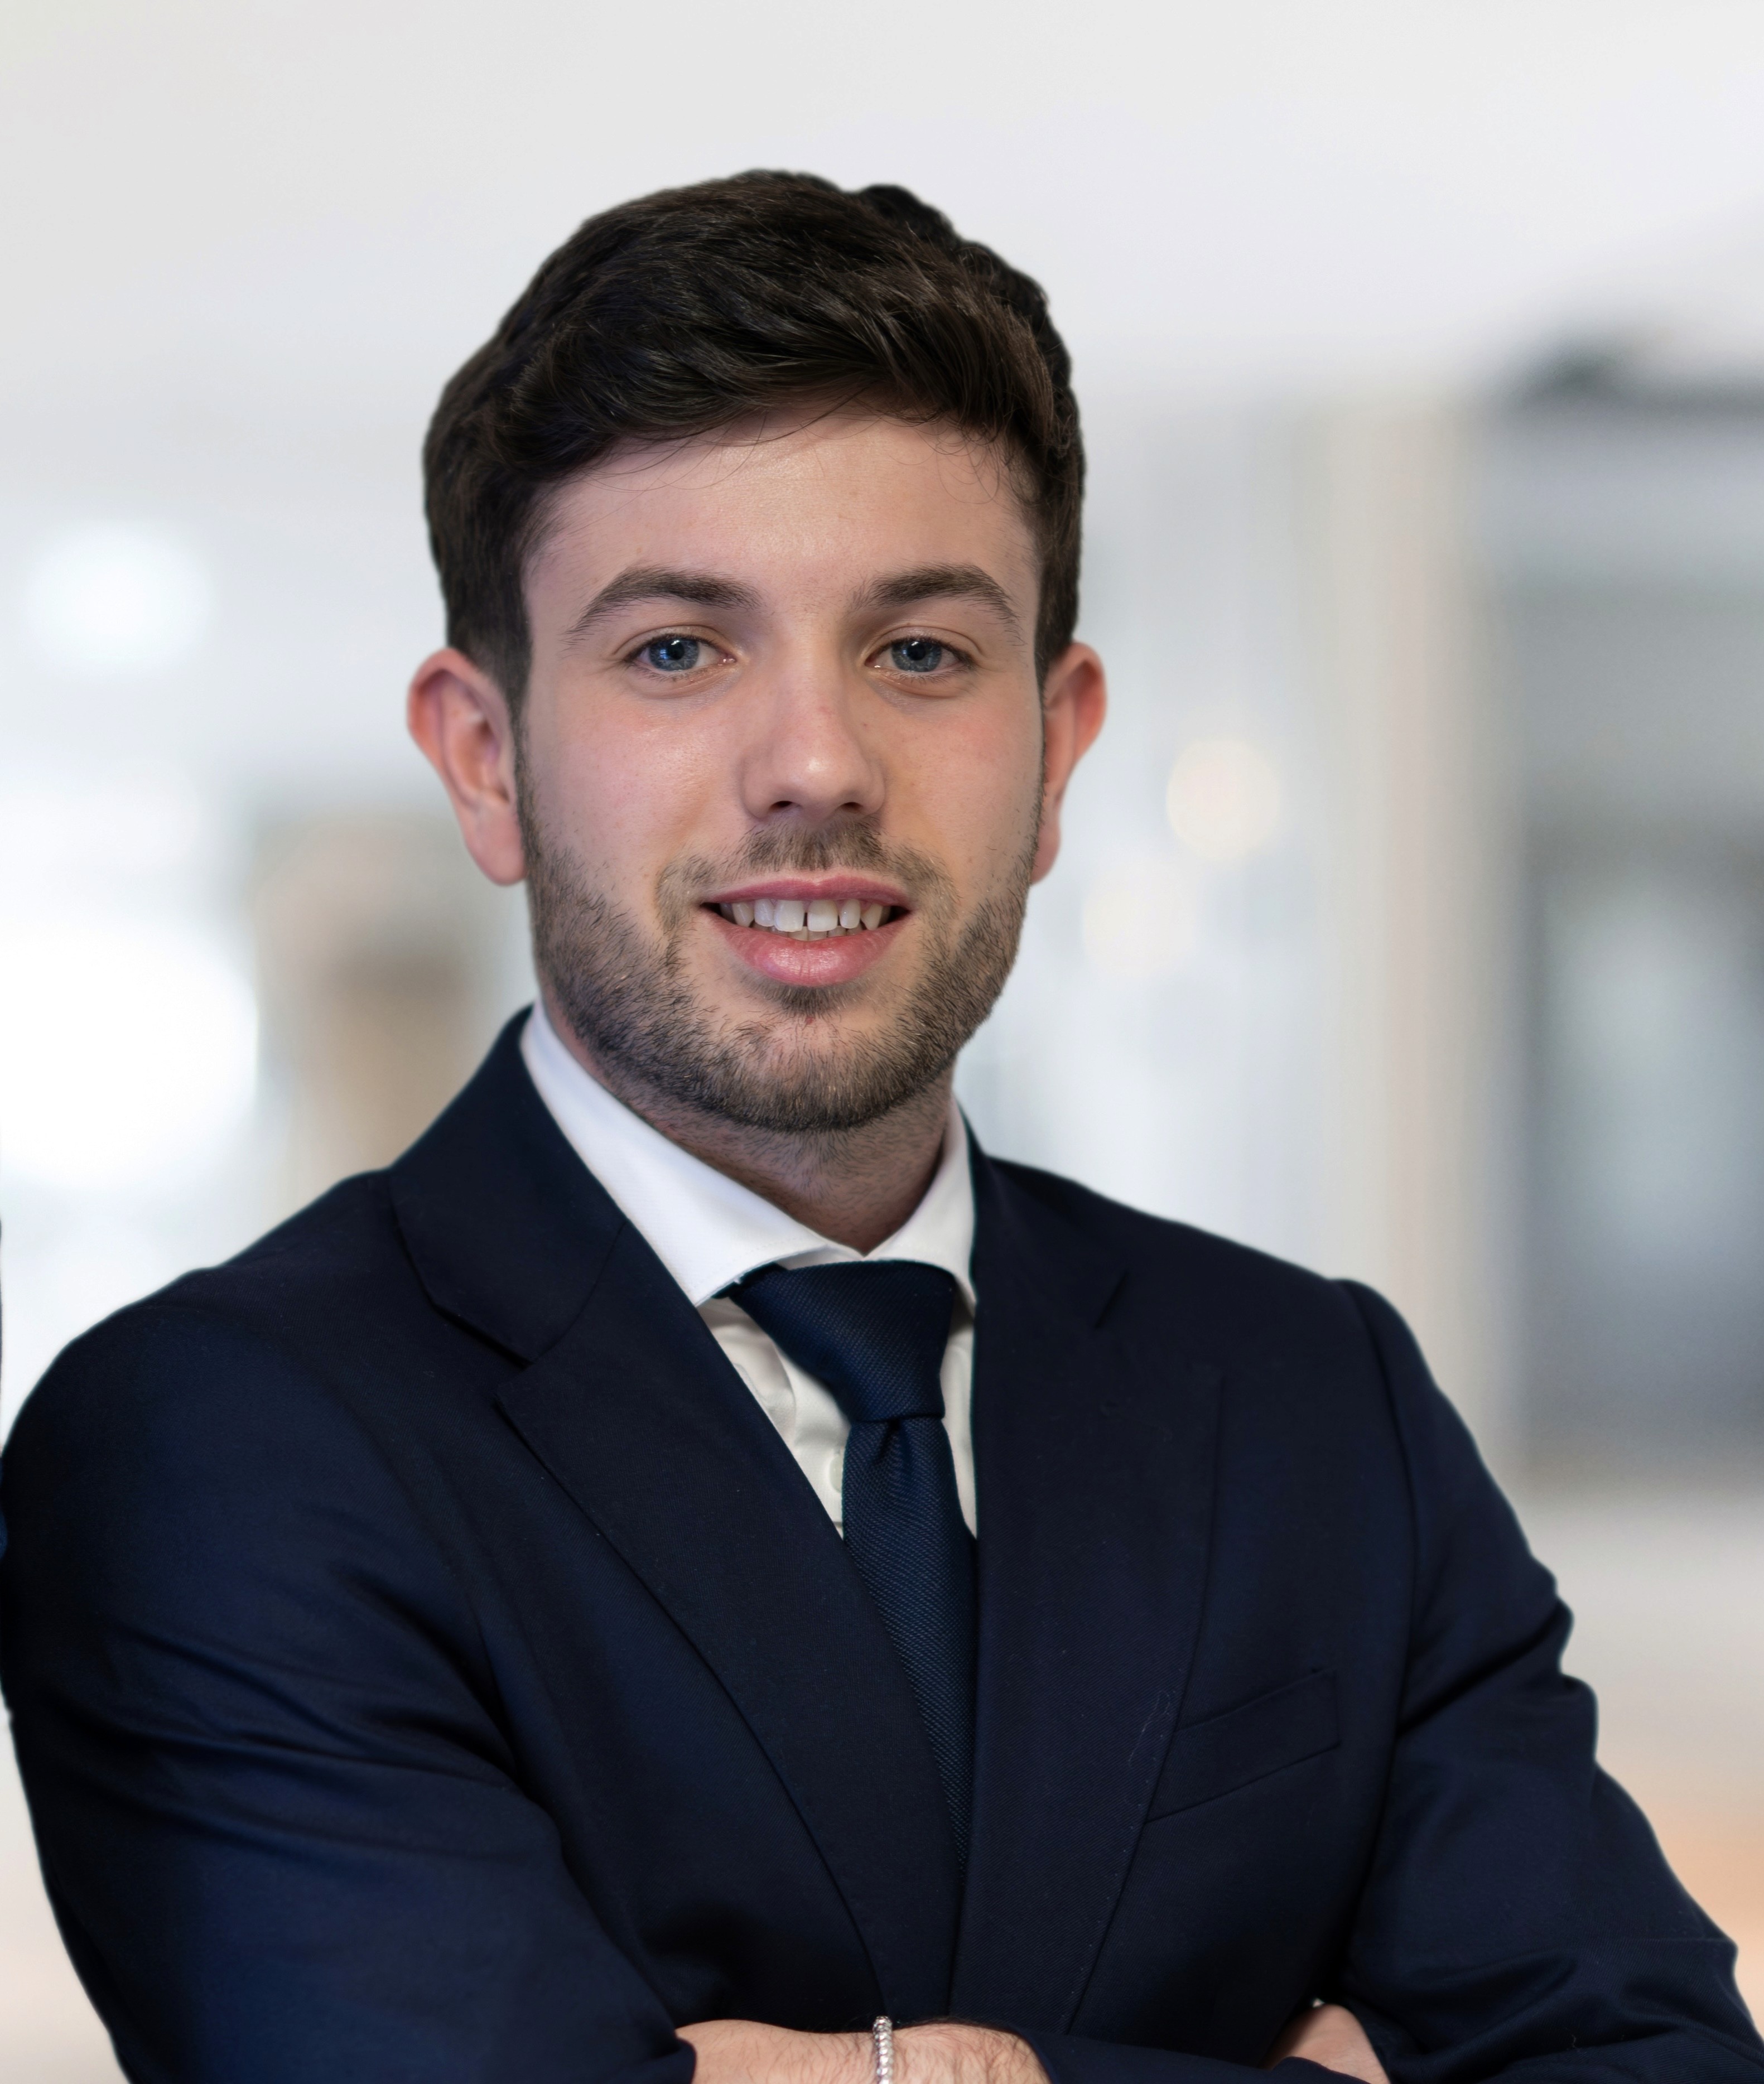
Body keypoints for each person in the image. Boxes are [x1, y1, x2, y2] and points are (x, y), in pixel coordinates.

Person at [1, 172, 1758, 2084]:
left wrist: (885, 2079)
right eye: (677, 649)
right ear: (487, 761)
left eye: (919, 651)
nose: (817, 766)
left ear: (1057, 746)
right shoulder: (215, 1441)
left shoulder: (1310, 1392)